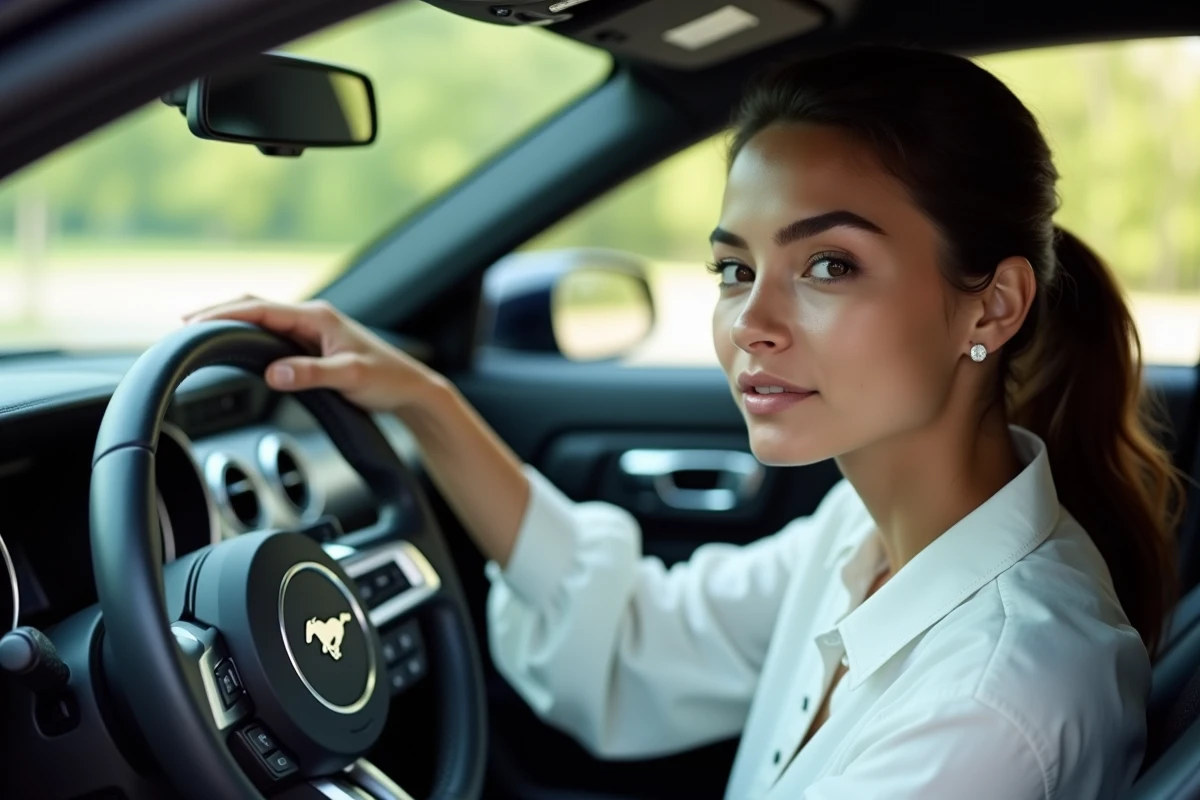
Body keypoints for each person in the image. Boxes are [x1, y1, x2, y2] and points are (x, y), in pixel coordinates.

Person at [187, 45, 1182, 799]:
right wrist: (425, 401)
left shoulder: (993, 706)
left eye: (828, 265)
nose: (752, 322)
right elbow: (637, 637)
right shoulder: (870, 532)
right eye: (735, 268)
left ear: (992, 307)